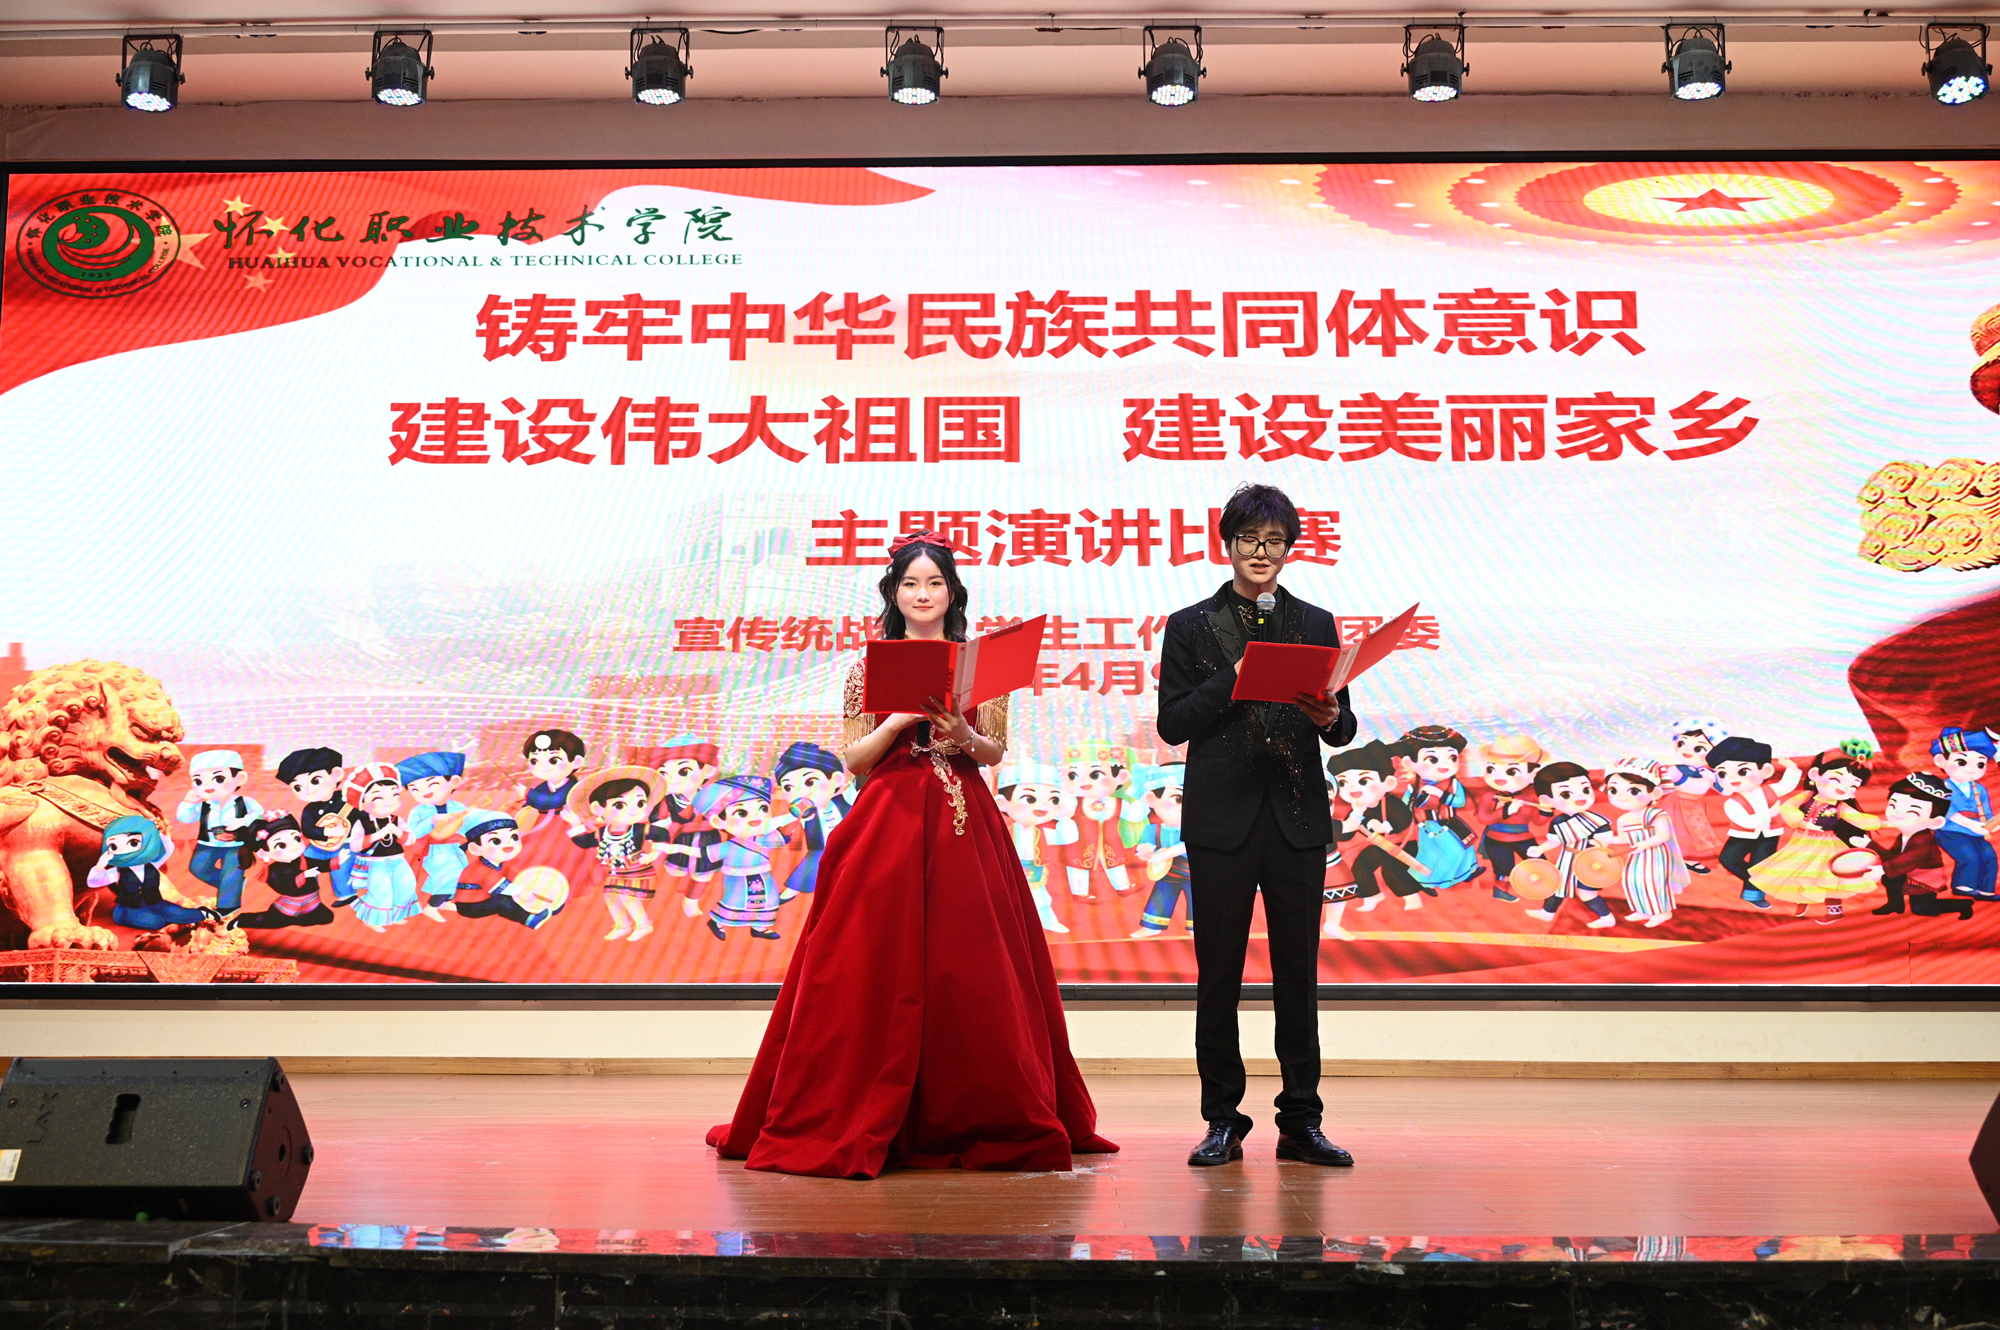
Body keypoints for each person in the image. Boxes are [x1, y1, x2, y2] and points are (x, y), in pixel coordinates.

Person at [707, 531, 1116, 1179]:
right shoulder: (867, 667)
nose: (923, 594)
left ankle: (974, 1108)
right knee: (870, 964)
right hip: (889, 819)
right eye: (910, 584)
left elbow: (993, 754)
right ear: (893, 594)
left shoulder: (979, 665)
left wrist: (962, 732)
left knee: (971, 966)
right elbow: (855, 762)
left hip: (963, 820)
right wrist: (897, 722)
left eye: (934, 583)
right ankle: (859, 1106)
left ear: (953, 593)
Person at [1156, 483, 1358, 1170]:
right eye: (1249, 539)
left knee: (1297, 977)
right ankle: (1222, 1120)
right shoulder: (1190, 626)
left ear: (1290, 547)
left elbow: (1343, 728)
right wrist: (1239, 674)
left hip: (1296, 817)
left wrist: (1332, 716)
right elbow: (1173, 723)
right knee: (1219, 977)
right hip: (1221, 821)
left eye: (1274, 541)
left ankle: (1302, 1121)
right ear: (1228, 544)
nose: (1262, 552)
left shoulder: (1316, 622)